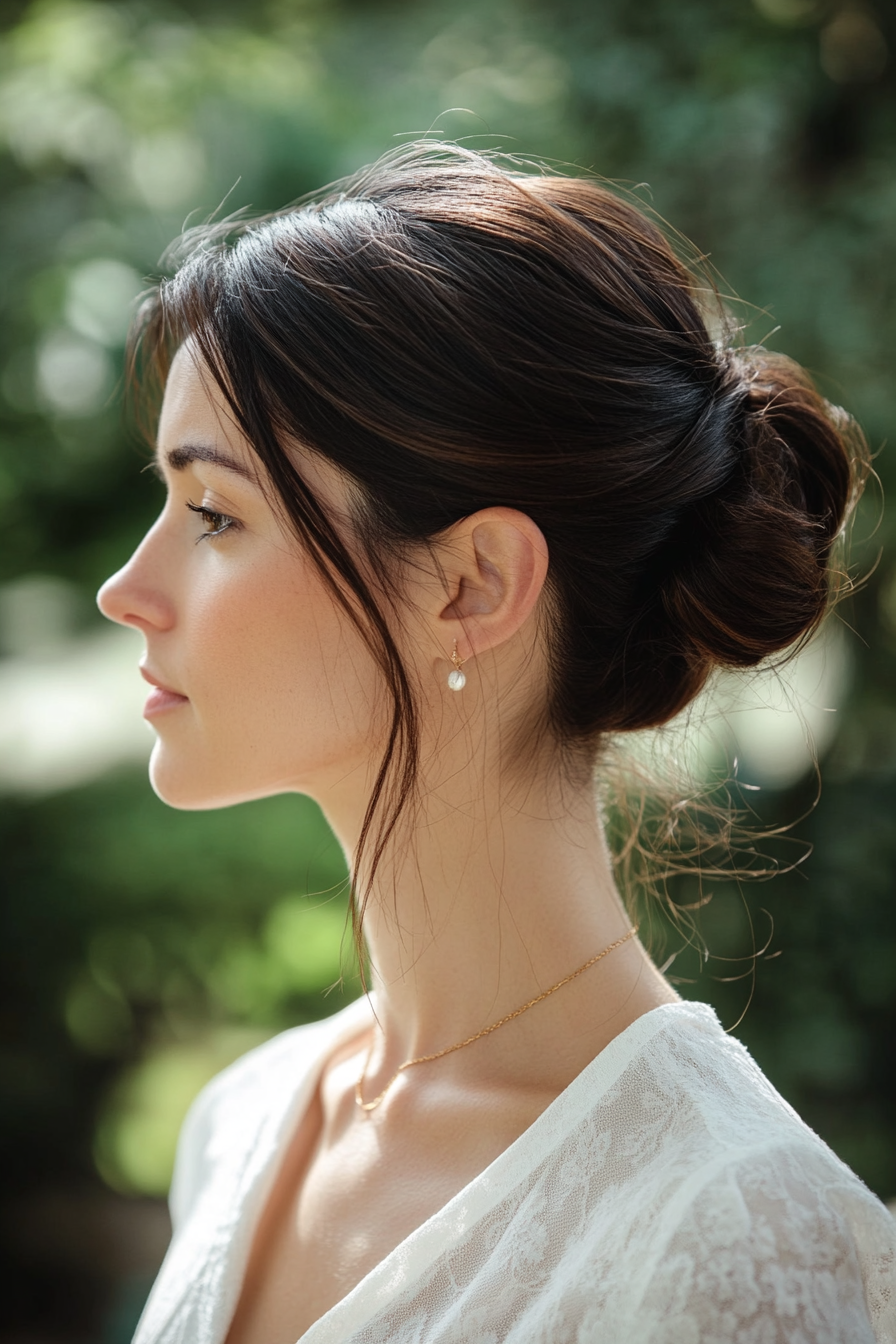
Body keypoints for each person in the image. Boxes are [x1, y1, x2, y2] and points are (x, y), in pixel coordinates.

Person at [97, 142, 895, 1344]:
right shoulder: (243, 1123)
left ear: (470, 583)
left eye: (215, 513)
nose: (125, 590)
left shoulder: (735, 1236)